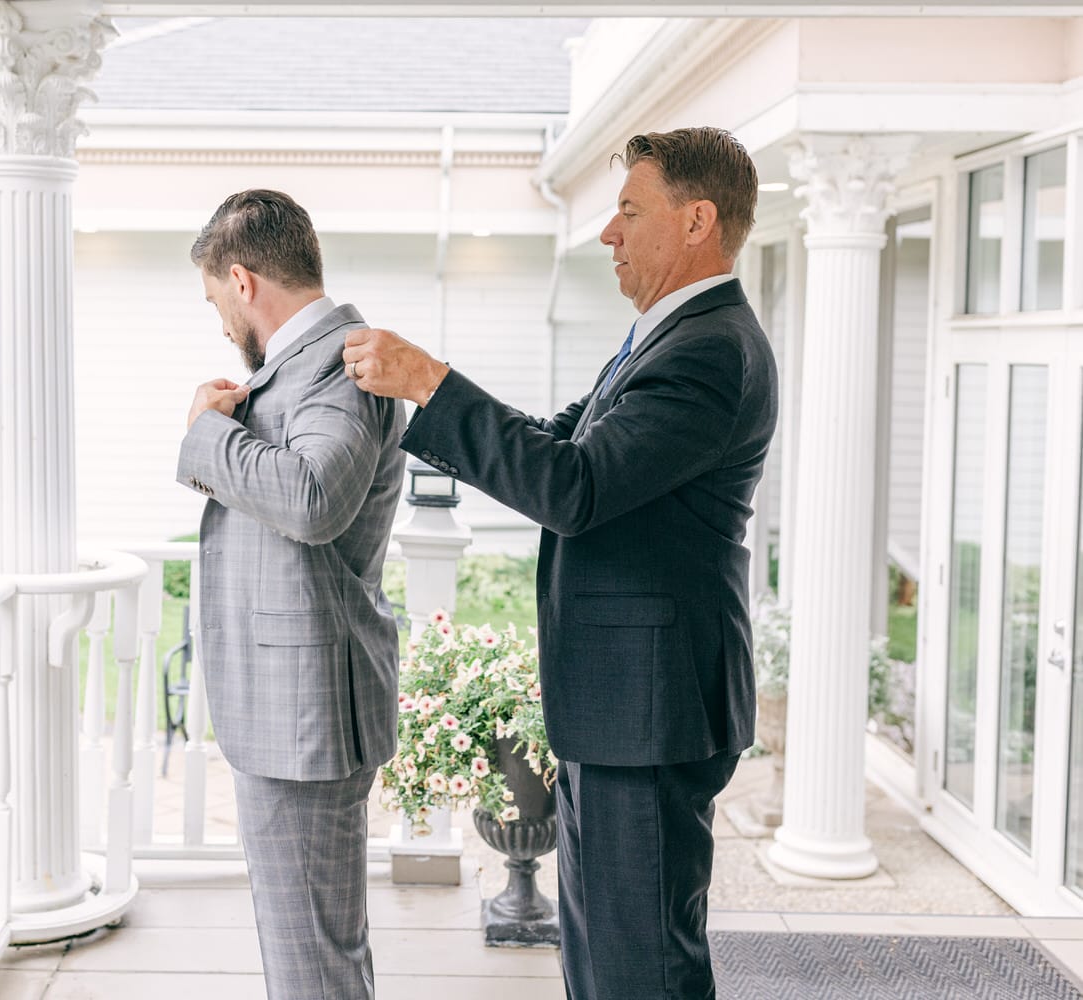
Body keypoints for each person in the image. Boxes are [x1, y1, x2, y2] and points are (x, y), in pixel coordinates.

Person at [341, 127, 778, 1000]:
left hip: (650, 717)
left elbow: (572, 487)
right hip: (621, 709)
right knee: (598, 962)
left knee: (639, 969)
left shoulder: (707, 351)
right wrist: (423, 400)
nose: (608, 233)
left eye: (627, 211)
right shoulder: (661, 338)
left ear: (698, 221)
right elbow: (555, 439)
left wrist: (431, 381)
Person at [177, 189, 405, 1000]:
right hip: (289, 705)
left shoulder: (342, 365)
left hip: (304, 712)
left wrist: (207, 434)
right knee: (307, 951)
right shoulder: (306, 367)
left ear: (242, 281)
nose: (219, 324)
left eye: (215, 301)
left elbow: (312, 499)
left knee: (312, 961)